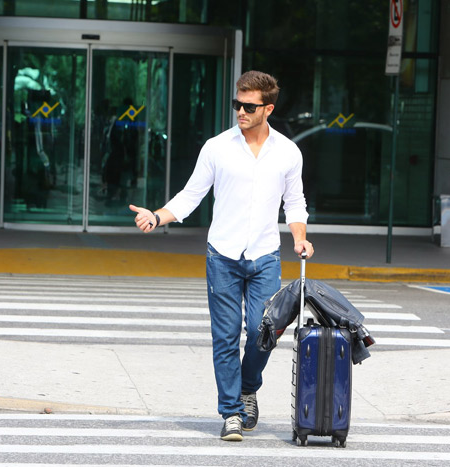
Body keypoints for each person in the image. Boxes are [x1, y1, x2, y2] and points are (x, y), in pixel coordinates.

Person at [129, 70, 314, 441]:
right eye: (237, 104)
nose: (241, 112)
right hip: (223, 256)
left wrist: (300, 239)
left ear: (268, 109)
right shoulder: (217, 147)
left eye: (249, 106)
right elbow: (191, 194)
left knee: (264, 333)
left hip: (265, 255)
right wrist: (157, 215)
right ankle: (231, 411)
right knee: (226, 337)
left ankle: (248, 387)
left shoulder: (288, 152)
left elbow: (294, 203)